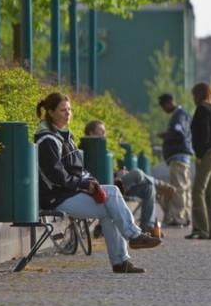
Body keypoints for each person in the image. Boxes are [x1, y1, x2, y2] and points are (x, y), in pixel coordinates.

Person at [35, 92, 160, 274]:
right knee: (113, 193)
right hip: (56, 197)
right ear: (51, 112)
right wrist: (85, 185)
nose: (67, 113)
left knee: (109, 210)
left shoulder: (65, 137)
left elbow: (78, 170)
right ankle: (133, 235)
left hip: (69, 193)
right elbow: (56, 177)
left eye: (69, 109)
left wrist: (90, 181)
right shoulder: (47, 140)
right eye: (62, 110)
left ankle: (121, 262)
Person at [186, 81, 211, 240]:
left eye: (194, 94)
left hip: (207, 154)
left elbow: (203, 134)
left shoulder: (201, 109)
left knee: (197, 191)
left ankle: (201, 230)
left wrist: (199, 154)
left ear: (198, 94)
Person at [158, 93, 193, 227]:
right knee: (184, 187)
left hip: (178, 156)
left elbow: (179, 133)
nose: (164, 109)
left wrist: (166, 135)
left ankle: (178, 218)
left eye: (164, 106)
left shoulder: (179, 115)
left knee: (178, 188)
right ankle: (185, 216)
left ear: (170, 102)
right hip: (182, 157)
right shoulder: (181, 114)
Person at [114, 166, 174, 237]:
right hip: (113, 184)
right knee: (137, 173)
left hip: (122, 185)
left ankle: (147, 226)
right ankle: (159, 184)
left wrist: (120, 173)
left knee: (149, 188)